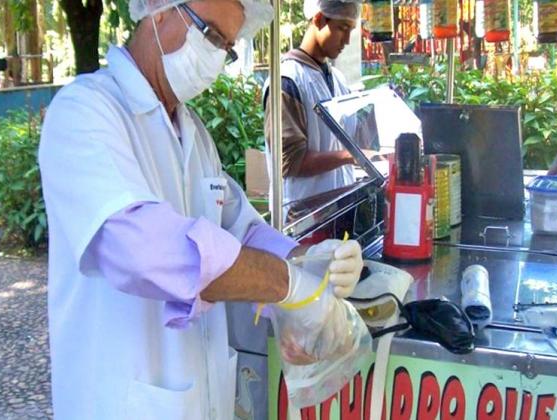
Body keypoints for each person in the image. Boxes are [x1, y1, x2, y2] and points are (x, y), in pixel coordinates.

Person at [38, 0, 364, 418]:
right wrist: (286, 284)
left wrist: (305, 262)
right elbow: (141, 250)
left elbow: (238, 228)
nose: (214, 59)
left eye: (226, 47)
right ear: (157, 11)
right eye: (210, 34)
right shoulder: (84, 112)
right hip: (122, 399)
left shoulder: (192, 131)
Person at [264, 0, 366, 203]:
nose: (346, 40)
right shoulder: (287, 80)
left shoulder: (337, 78)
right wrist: (349, 156)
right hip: (302, 215)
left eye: (351, 30)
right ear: (318, 19)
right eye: (342, 28)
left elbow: (348, 135)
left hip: (337, 206)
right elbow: (290, 161)